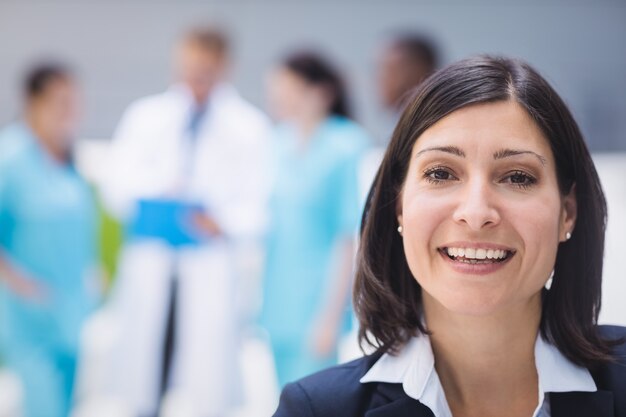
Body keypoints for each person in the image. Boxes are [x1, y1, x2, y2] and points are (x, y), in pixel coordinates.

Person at [273, 56, 626, 416]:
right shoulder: (317, 409)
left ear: (568, 212)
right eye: (441, 173)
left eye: (517, 177)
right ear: (399, 206)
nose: (475, 214)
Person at [100, 27, 271, 416]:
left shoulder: (248, 127)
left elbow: (259, 205)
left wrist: (222, 221)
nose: (197, 77)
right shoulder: (146, 116)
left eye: (206, 70)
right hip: (153, 257)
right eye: (190, 67)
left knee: (204, 380)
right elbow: (116, 184)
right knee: (144, 370)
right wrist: (160, 187)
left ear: (225, 67)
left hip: (207, 262)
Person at [261, 51, 370, 387]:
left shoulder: (345, 144)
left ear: (318, 92)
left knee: (312, 399)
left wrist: (329, 316)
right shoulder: (277, 142)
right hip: (276, 301)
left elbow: (345, 235)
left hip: (317, 302)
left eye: (288, 88)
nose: (279, 98)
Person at [0, 63, 100, 417]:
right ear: (33, 103)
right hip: (30, 318)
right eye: (61, 102)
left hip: (70, 312)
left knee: (66, 407)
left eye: (74, 102)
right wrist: (19, 283)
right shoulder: (10, 157)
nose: (70, 112)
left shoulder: (67, 158)